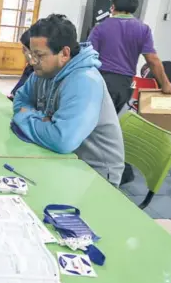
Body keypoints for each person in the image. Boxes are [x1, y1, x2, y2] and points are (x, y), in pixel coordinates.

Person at [12, 14, 125, 186]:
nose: (32, 61)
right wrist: (43, 121)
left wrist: (24, 116)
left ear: (64, 53)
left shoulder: (84, 81)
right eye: (30, 54)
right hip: (60, 158)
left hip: (93, 172)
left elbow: (62, 140)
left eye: (39, 55)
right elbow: (20, 99)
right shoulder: (43, 71)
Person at [88, 0, 171, 114]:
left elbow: (88, 57)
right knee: (111, 122)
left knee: (94, 123)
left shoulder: (100, 28)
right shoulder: (143, 29)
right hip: (124, 85)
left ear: (113, 6)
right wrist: (166, 84)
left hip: (101, 81)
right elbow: (152, 60)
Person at [8, 28, 34, 101]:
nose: (22, 51)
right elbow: (15, 92)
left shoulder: (39, 72)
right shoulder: (29, 67)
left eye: (25, 49)